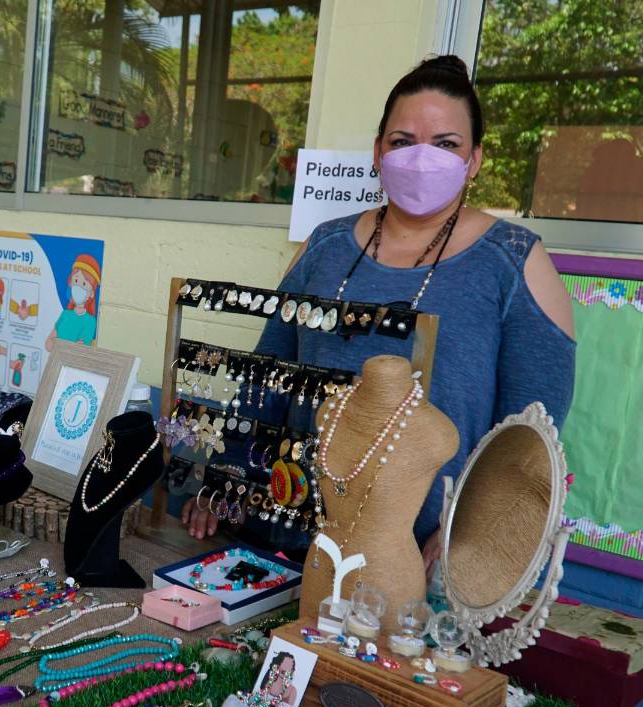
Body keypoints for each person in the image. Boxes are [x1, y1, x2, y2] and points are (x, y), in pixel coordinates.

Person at [181, 55, 576, 579]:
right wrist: (226, 479)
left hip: (416, 561)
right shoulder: (326, 245)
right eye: (401, 140)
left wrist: (466, 531)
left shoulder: (514, 261)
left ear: (475, 159)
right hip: (296, 533)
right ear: (377, 150)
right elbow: (267, 375)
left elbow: (528, 436)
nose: (420, 158)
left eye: (446, 144)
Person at [46, 254, 100, 349]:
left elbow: (80, 351)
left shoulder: (90, 321)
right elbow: (48, 344)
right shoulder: (65, 314)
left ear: (91, 293)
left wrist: (58, 344)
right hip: (55, 361)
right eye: (75, 281)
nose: (78, 287)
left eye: (84, 284)